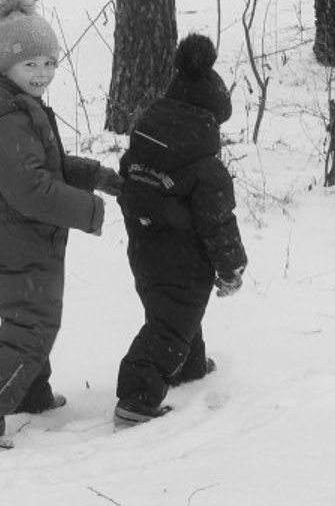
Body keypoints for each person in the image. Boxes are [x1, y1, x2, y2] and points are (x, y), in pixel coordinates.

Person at [0, 0, 122, 452]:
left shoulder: (19, 106)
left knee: (36, 320)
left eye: (49, 63)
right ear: (7, 65)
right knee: (30, 326)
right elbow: (30, 189)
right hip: (16, 242)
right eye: (31, 64)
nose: (43, 73)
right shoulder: (4, 119)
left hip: (23, 241)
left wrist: (99, 177)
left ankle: (29, 391)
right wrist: (89, 209)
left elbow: (49, 166)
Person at [113, 32, 247, 427]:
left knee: (174, 315)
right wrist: (230, 267)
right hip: (184, 259)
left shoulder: (146, 142)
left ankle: (188, 367)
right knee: (171, 324)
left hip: (144, 248)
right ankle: (136, 397)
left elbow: (129, 183)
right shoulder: (206, 166)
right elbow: (218, 220)